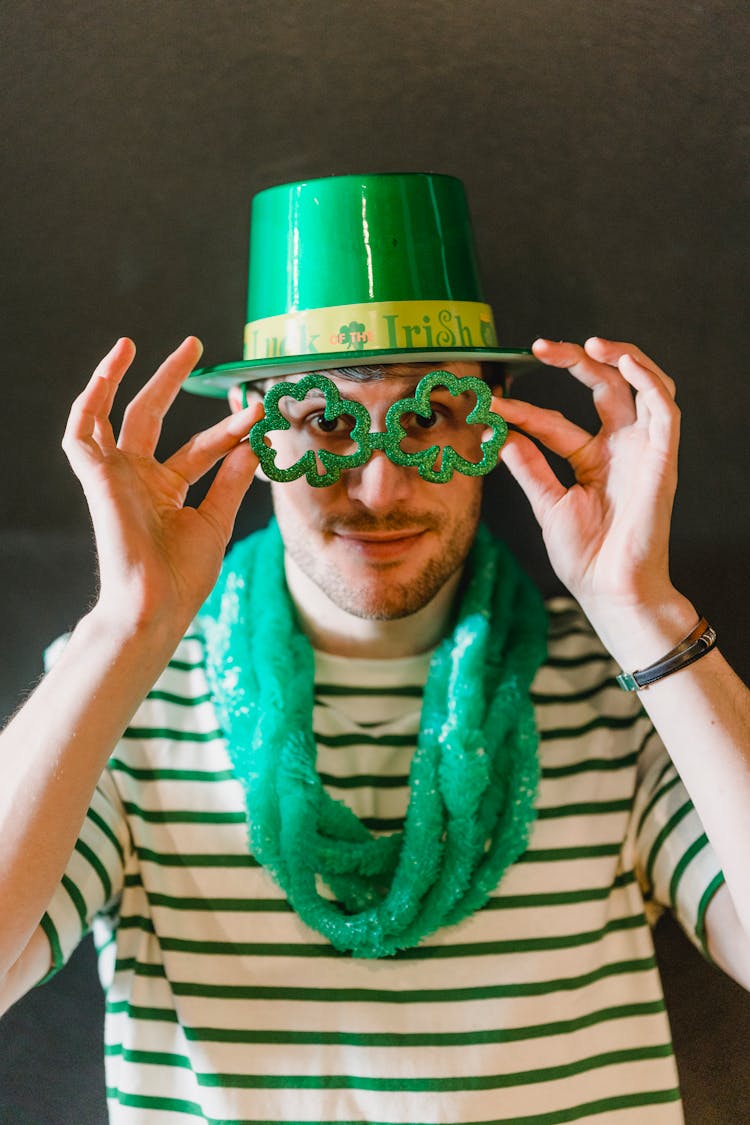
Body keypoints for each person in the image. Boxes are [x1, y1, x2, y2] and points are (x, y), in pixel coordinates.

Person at [0, 173, 748, 1124]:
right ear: (251, 433)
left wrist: (644, 610)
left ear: (499, 420)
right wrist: (123, 629)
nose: (381, 486)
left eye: (430, 414)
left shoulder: (627, 687)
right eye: (325, 422)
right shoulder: (122, 693)